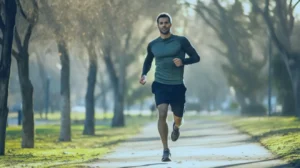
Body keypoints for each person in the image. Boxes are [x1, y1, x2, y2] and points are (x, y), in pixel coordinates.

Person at [139, 12, 200, 162]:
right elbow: (148, 61)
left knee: (178, 116)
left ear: (170, 25)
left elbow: (196, 57)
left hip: (177, 85)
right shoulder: (153, 44)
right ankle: (166, 150)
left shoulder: (181, 41)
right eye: (161, 23)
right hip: (160, 84)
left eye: (166, 22)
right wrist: (144, 74)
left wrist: (183, 62)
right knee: (162, 112)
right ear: (158, 25)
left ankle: (176, 127)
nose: (164, 25)